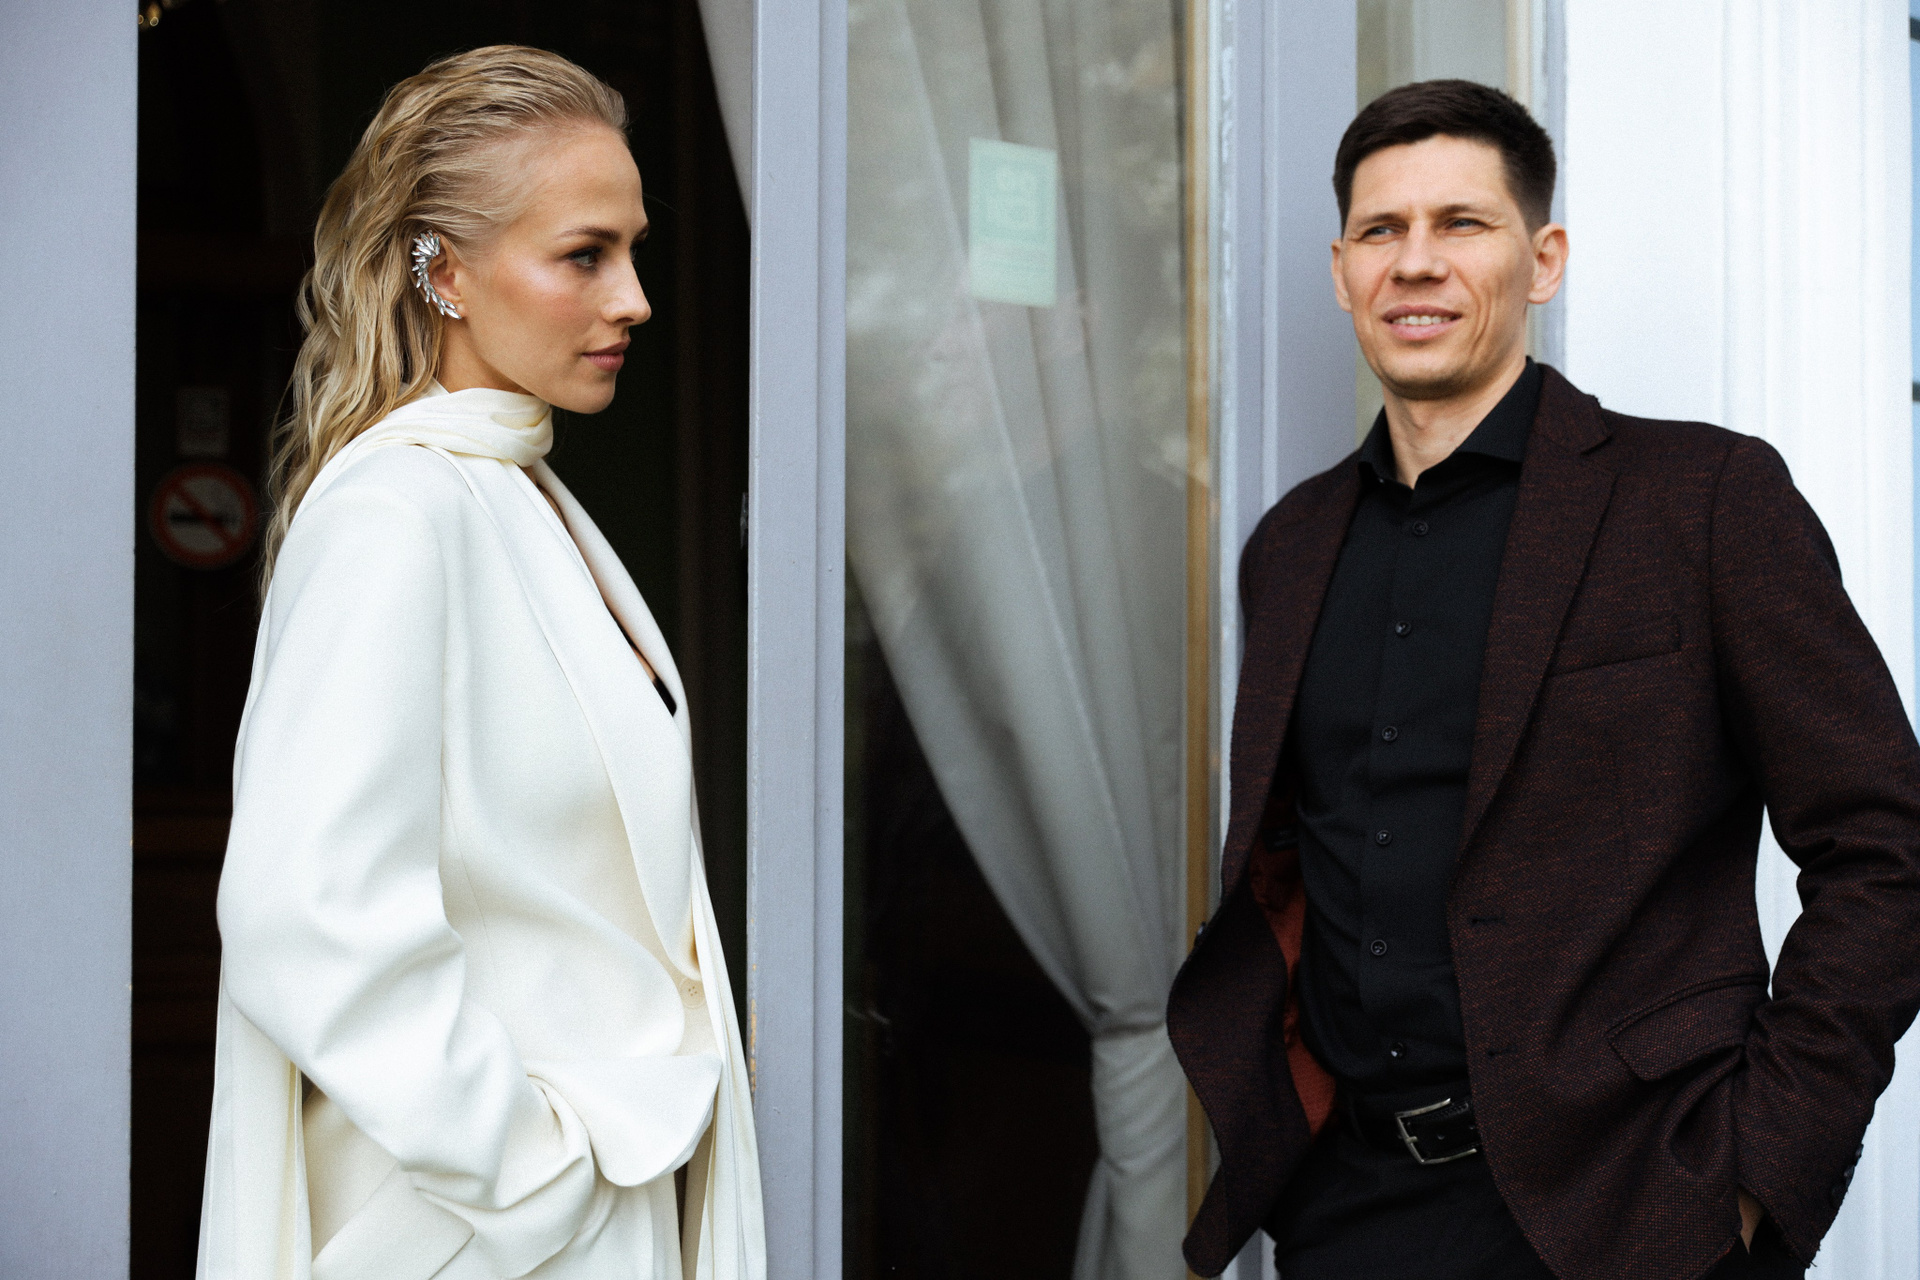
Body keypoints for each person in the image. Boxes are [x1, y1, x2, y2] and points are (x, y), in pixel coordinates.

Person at [1168, 78, 1920, 1280]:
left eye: (1462, 222)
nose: (1416, 260)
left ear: (1544, 259)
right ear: (1343, 271)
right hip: (1346, 1211)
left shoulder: (1703, 502)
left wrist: (1757, 1171)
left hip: (1632, 1211)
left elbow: (1888, 846)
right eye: (1381, 229)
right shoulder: (1290, 548)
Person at [196, 47, 764, 1280]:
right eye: (584, 254)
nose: (635, 299)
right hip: (485, 1228)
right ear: (443, 270)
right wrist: (533, 1165)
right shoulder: (397, 512)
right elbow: (309, 912)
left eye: (634, 250)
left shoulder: (517, 491)